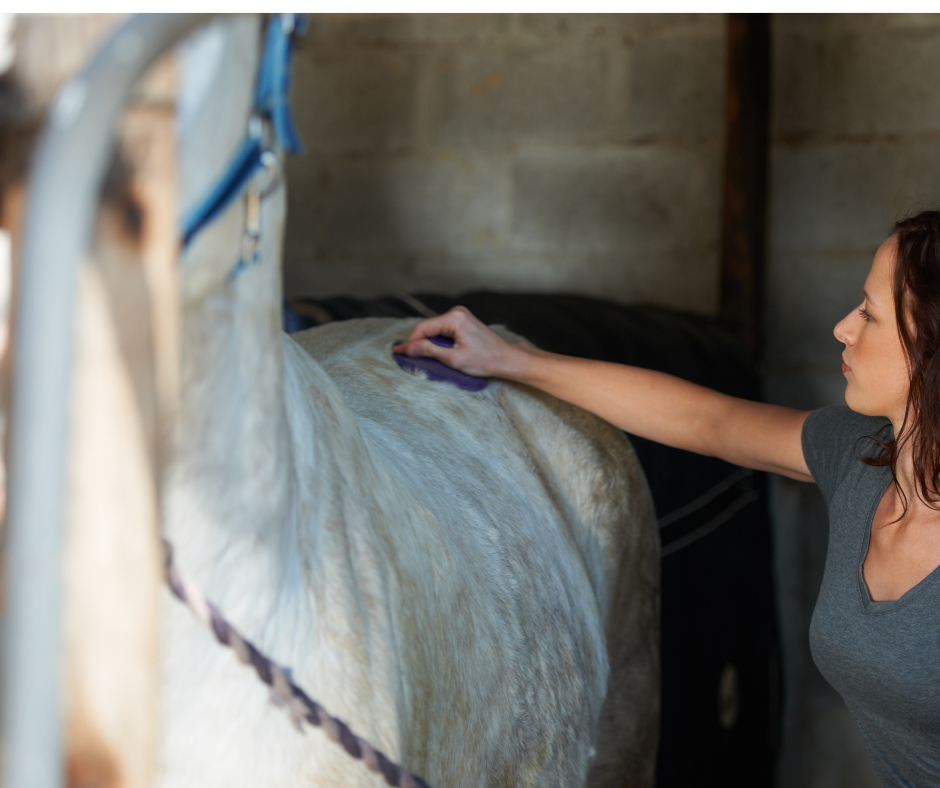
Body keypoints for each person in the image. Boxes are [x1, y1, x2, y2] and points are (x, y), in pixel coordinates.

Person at [393, 210, 940, 786]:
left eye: (870, 314)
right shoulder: (861, 456)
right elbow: (707, 420)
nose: (842, 328)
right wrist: (510, 359)